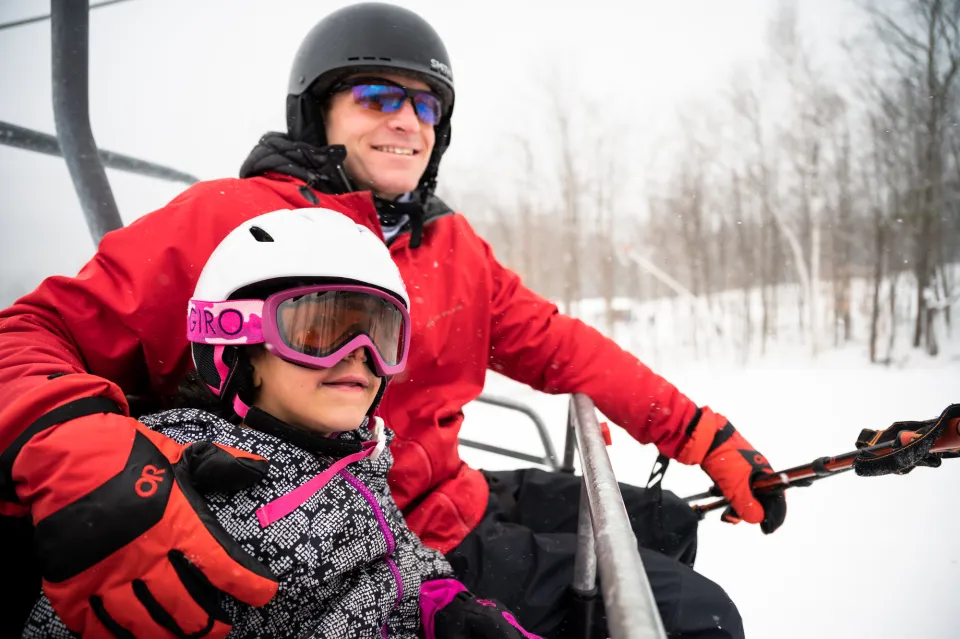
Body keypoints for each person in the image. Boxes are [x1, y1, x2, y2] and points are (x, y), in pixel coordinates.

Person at [0, 3, 784, 637]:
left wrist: (697, 432)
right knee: (693, 614)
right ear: (319, 114)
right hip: (368, 532)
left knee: (665, 519)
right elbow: (30, 336)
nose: (407, 119)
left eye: (425, 103)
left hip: (455, 492)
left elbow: (556, 344)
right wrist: (82, 452)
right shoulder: (237, 223)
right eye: (377, 97)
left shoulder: (449, 242)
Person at [20, 208, 539, 639]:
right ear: (237, 348)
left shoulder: (352, 451)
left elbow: (383, 555)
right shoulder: (186, 490)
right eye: (318, 331)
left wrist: (435, 603)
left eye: (377, 335)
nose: (357, 357)